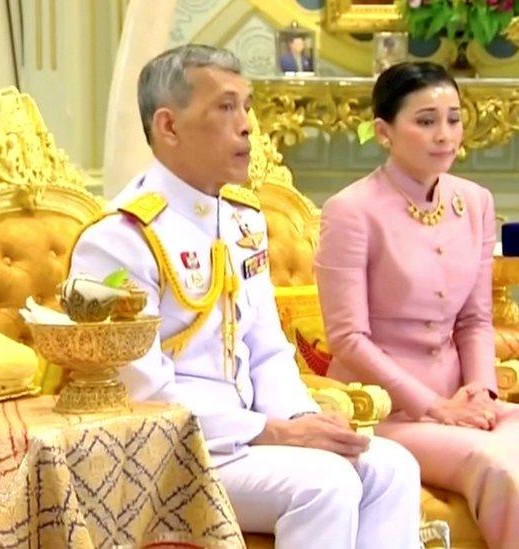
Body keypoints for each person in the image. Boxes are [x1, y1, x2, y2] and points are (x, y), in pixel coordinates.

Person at [68, 44, 420, 548]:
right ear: (168, 127)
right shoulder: (120, 240)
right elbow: (142, 394)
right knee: (325, 484)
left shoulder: (241, 219)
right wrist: (276, 433)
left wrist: (303, 420)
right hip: (169, 453)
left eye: (247, 105)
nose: (247, 125)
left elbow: (268, 348)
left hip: (251, 437)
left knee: (391, 466)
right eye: (225, 107)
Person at [314, 61, 519, 549]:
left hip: (463, 403)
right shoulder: (351, 211)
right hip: (387, 412)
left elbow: (475, 319)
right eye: (425, 121)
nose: (445, 135)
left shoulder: (476, 201)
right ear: (384, 131)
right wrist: (436, 408)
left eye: (453, 118)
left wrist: (482, 393)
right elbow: (348, 339)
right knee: (499, 464)